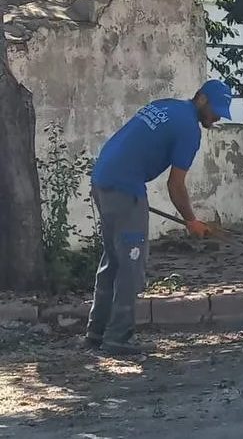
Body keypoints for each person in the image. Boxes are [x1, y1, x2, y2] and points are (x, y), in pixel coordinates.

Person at [85, 80, 231, 355]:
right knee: (131, 263)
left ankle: (96, 333)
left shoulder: (165, 106)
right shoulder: (189, 129)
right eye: (215, 109)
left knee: (113, 260)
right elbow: (175, 184)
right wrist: (191, 220)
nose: (217, 117)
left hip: (103, 179)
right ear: (200, 98)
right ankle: (117, 339)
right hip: (126, 188)